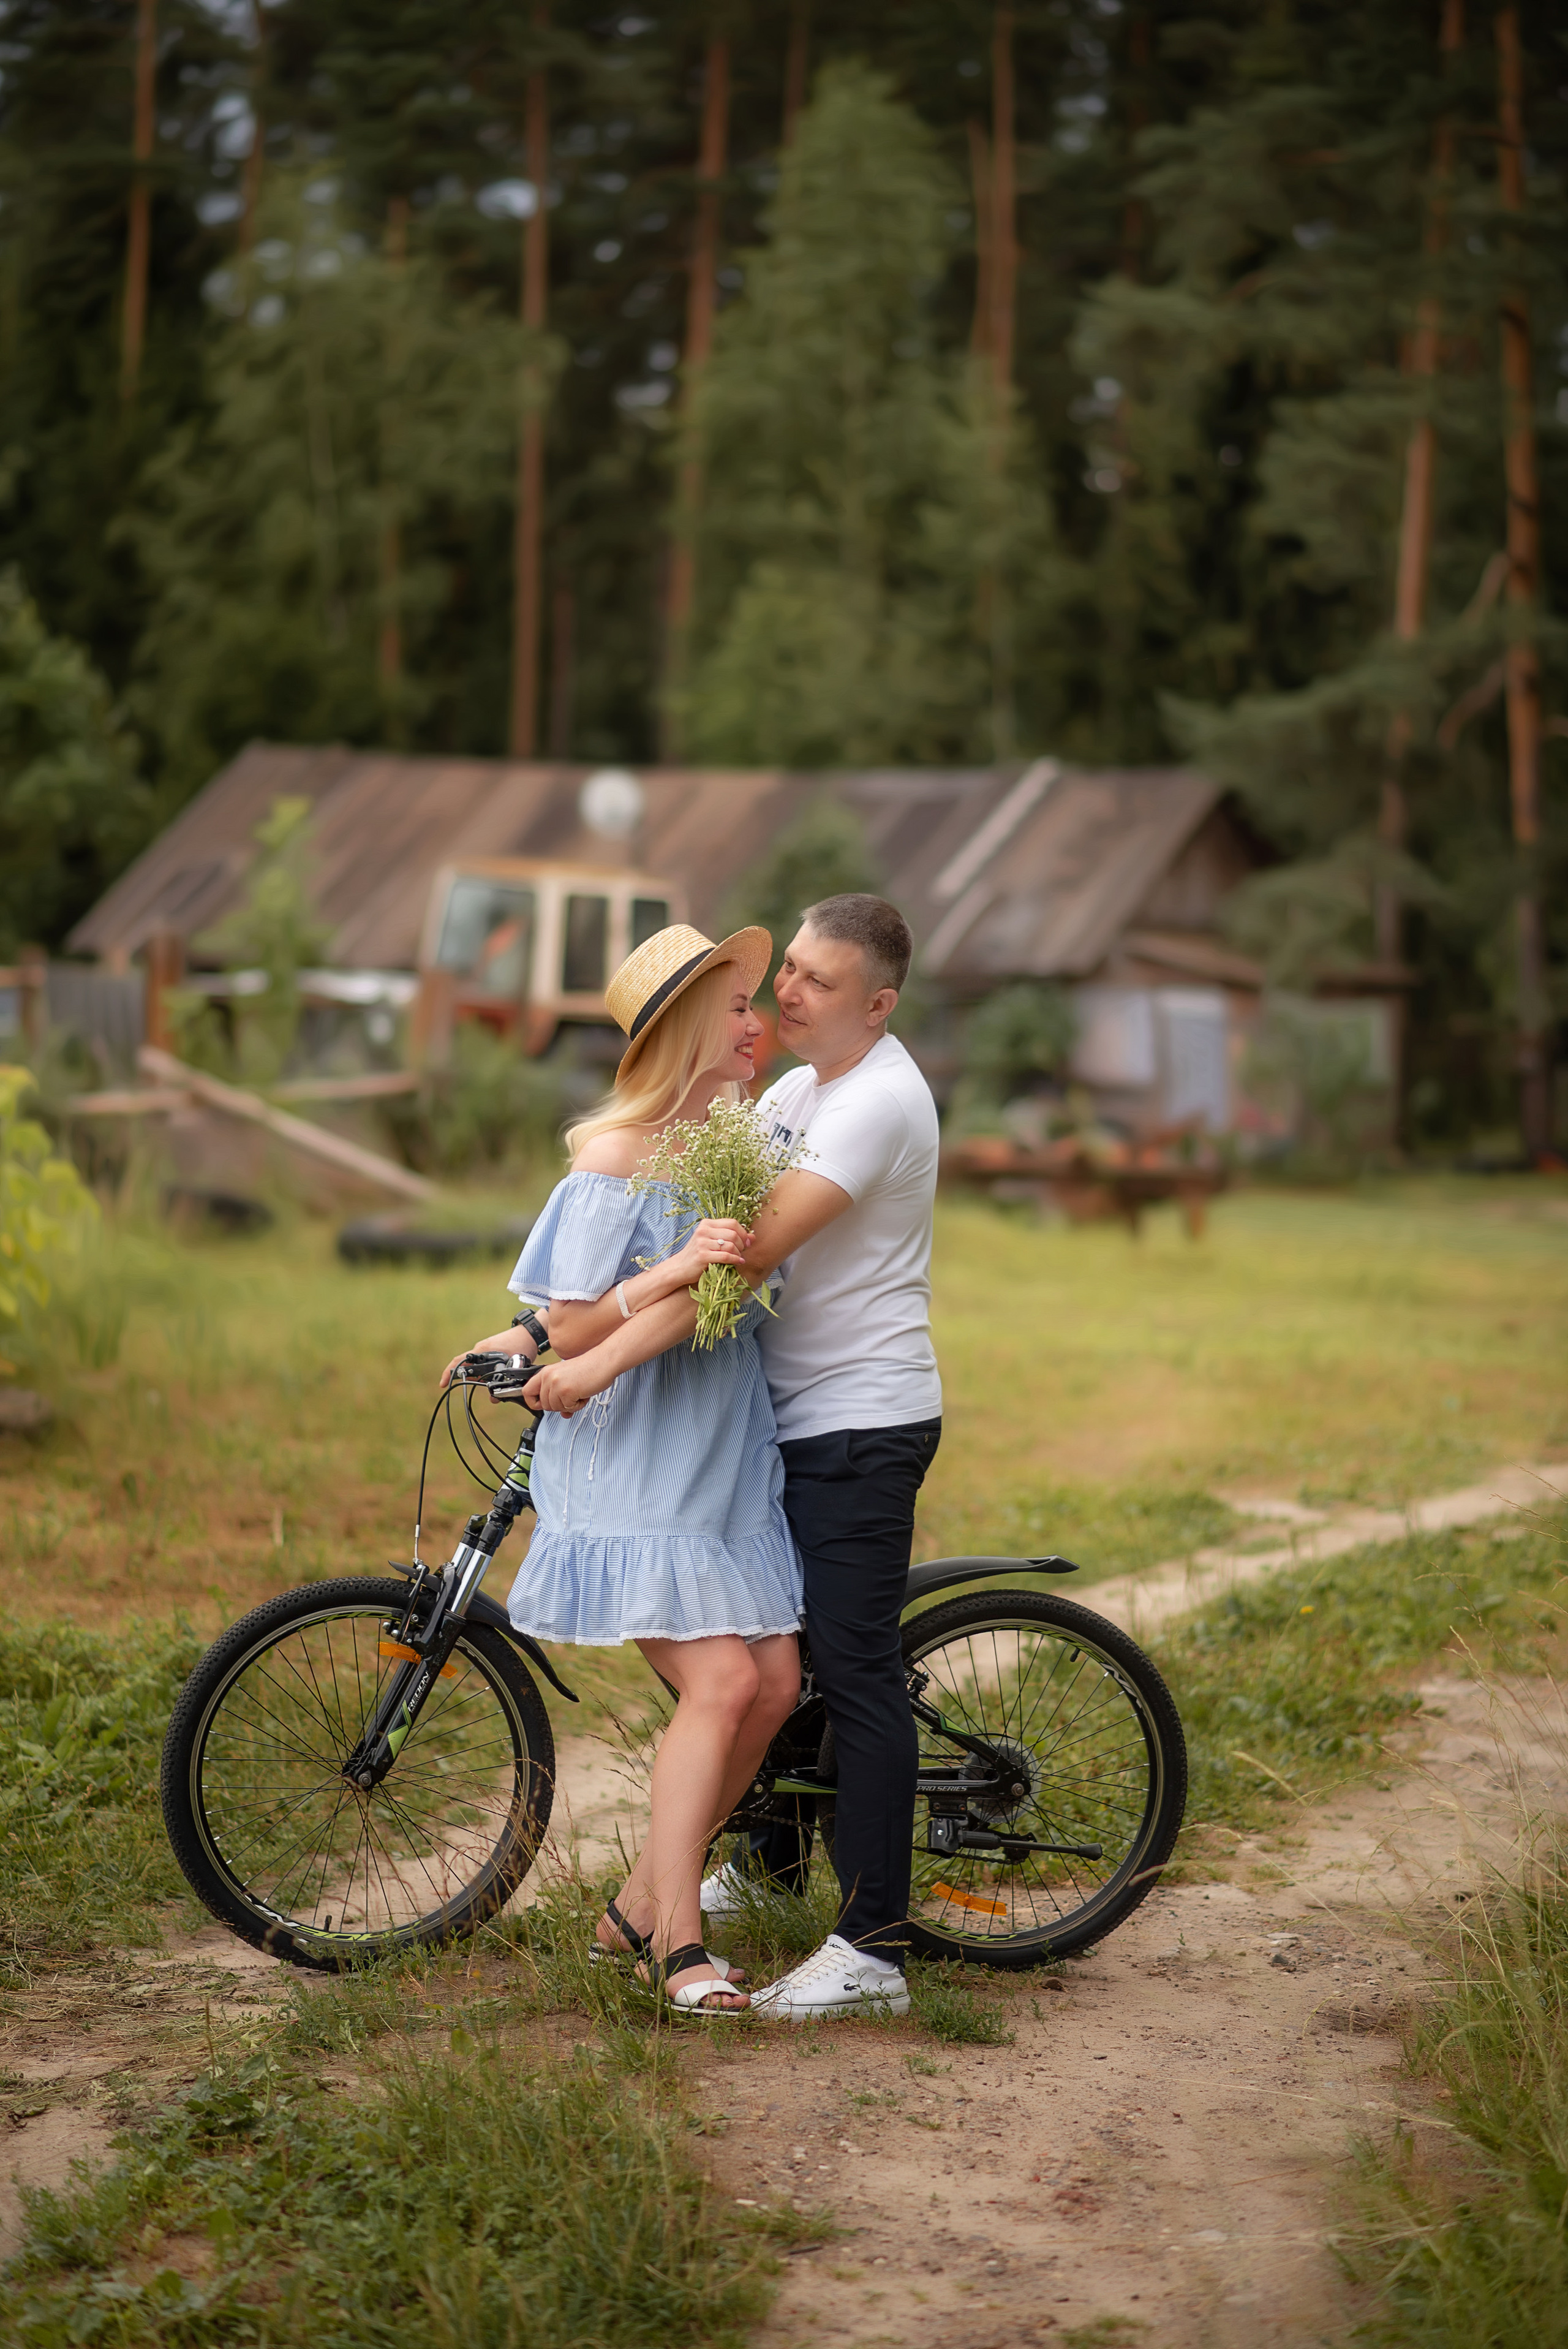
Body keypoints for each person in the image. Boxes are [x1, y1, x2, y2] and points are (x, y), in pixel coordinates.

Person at [526, 895, 941, 2021]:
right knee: (765, 1677)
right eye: (770, 981)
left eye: (803, 982)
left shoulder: (872, 1103)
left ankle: (871, 1944)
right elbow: (617, 1266)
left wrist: (588, 1359)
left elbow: (734, 1267)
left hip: (848, 1420)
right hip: (760, 1427)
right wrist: (539, 1337)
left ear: (877, 1002)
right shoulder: (794, 1097)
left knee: (839, 1674)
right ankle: (676, 1904)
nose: (784, 1001)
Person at [443, 921, 802, 2016]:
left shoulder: (737, 1139)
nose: (759, 1024)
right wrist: (678, 1270)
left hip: (720, 1443)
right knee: (725, 1679)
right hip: (637, 1447)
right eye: (740, 1007)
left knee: (777, 1681)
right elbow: (569, 1316)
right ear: (691, 1024)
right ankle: (680, 1946)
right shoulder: (616, 1154)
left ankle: (637, 1908)